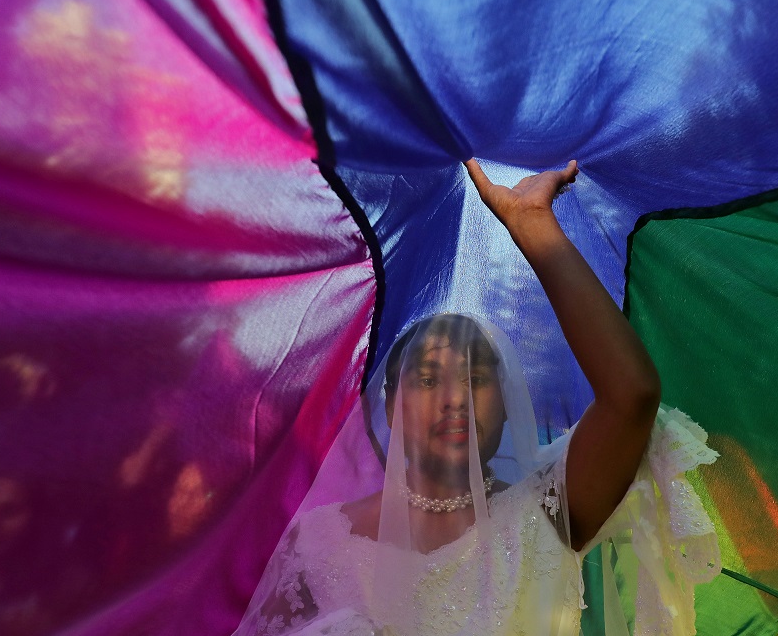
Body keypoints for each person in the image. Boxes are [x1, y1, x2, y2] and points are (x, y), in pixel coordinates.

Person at [233, 160, 720, 636]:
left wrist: (531, 223)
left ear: (507, 402)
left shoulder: (549, 513)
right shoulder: (320, 543)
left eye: (477, 378)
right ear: (389, 407)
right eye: (427, 379)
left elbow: (631, 395)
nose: (455, 399)